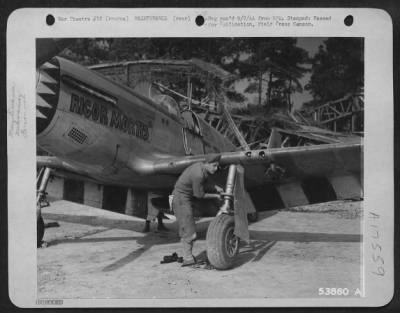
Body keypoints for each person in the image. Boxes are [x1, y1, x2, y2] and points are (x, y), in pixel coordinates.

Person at [171, 154, 224, 267]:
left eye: (217, 166)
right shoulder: (198, 174)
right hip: (181, 199)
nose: (216, 169)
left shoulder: (201, 168)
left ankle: (188, 256)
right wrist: (215, 195)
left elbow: (207, 182)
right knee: (190, 231)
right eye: (214, 166)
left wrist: (215, 188)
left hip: (185, 197)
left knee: (188, 227)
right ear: (206, 163)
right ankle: (188, 259)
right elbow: (199, 195)